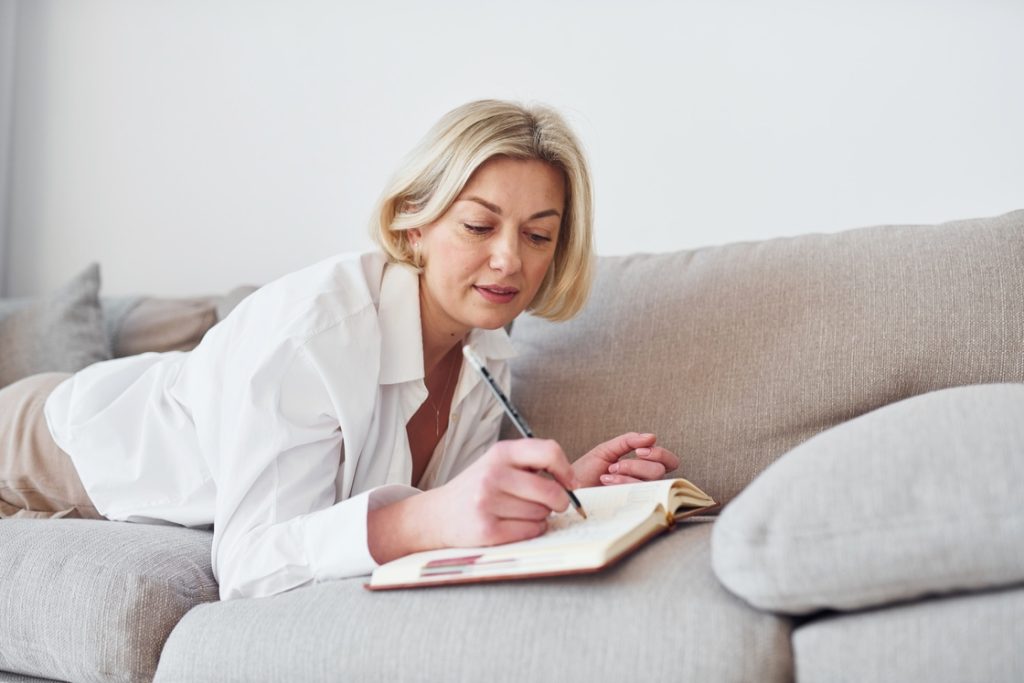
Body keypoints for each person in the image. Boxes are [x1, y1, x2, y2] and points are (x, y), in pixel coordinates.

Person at [0, 100, 680, 600]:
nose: (508, 260)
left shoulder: (487, 353)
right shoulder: (314, 334)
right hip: (49, 442)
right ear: (413, 224)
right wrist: (427, 517)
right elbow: (252, 566)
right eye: (479, 224)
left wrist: (564, 492)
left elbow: (443, 499)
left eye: (538, 235)